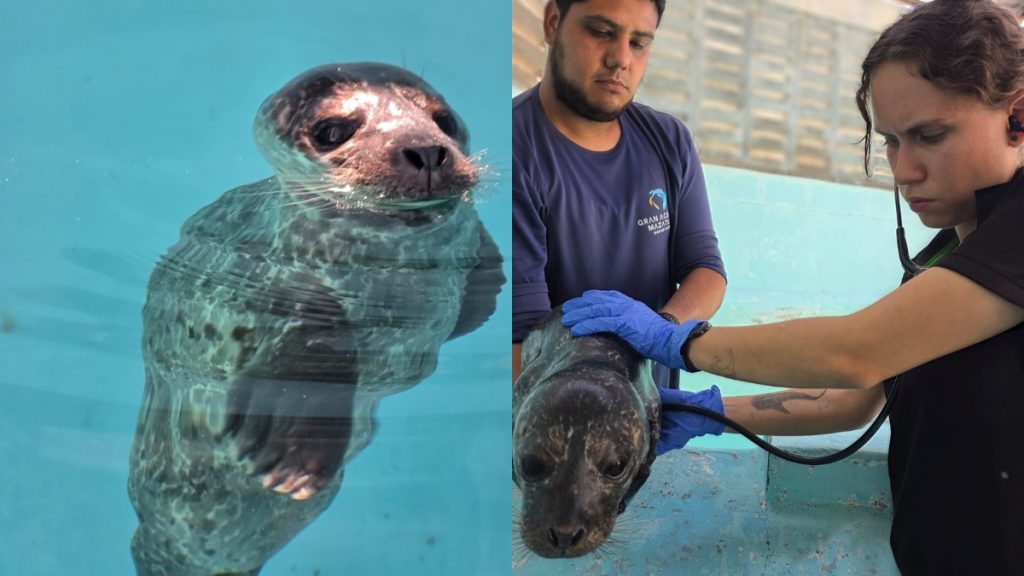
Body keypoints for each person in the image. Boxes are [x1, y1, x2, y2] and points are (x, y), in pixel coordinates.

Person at [560, 1, 1024, 573]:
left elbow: (855, 354)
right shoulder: (950, 251)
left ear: (1018, 116)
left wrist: (682, 343)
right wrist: (712, 414)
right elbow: (858, 396)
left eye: (929, 136)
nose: (904, 171)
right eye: (892, 143)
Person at [512, 0, 728, 389]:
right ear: (552, 23)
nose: (620, 59)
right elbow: (521, 344)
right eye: (601, 32)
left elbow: (706, 270)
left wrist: (659, 331)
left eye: (639, 42)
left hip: (645, 421)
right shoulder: (511, 149)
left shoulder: (668, 140)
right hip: (549, 423)